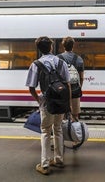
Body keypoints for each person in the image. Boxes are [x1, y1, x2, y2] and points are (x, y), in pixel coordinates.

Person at [26, 36, 71, 175]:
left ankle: (44, 164)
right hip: (61, 101)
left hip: (47, 101)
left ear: (39, 49)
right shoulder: (61, 62)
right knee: (58, 129)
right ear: (51, 47)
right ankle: (58, 159)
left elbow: (31, 87)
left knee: (46, 131)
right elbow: (67, 84)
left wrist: (39, 100)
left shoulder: (36, 64)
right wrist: (67, 103)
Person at [58, 36, 84, 121]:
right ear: (73, 46)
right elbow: (81, 77)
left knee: (61, 116)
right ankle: (74, 133)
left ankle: (63, 133)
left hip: (62, 90)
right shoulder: (79, 59)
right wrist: (79, 87)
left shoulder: (58, 58)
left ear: (63, 46)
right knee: (75, 116)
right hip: (75, 90)